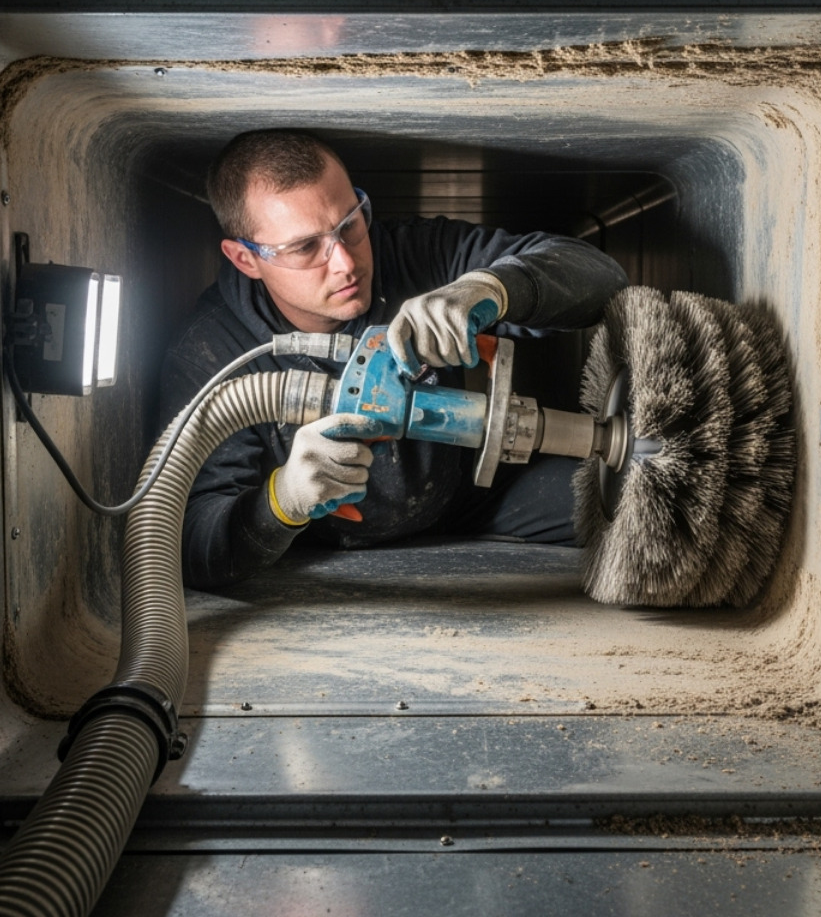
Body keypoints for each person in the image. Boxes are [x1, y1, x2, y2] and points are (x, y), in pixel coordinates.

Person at [159, 129, 628, 589]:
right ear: (245, 259)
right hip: (322, 551)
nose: (345, 261)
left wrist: (490, 288)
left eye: (349, 224)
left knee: (638, 502)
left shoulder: (411, 253)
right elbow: (191, 542)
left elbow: (602, 277)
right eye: (305, 248)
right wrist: (283, 501)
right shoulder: (211, 354)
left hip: (467, 490)